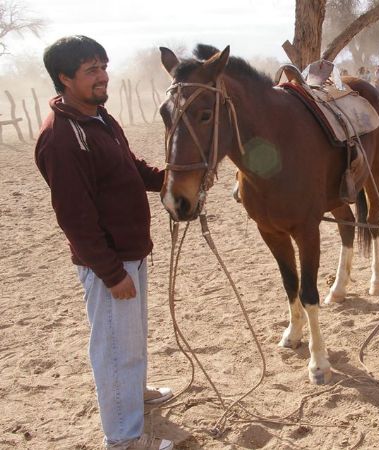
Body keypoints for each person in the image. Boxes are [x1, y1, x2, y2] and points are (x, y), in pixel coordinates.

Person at [35, 35, 173, 450]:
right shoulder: (61, 139)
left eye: (103, 66)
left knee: (129, 339)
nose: (103, 76)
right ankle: (124, 439)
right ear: (64, 78)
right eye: (91, 70)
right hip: (110, 261)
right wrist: (111, 273)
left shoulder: (100, 119)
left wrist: (170, 181)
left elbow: (131, 168)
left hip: (131, 251)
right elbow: (75, 218)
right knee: (115, 348)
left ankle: (132, 396)